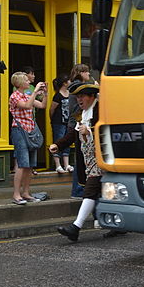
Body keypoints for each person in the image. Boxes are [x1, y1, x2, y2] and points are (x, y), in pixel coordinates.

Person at [52, 81, 102, 241]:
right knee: (101, 193)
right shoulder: (82, 114)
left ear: (92, 96)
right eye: (77, 97)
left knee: (90, 191)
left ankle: (76, 227)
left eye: (82, 96)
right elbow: (72, 136)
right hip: (87, 161)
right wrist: (58, 145)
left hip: (102, 160)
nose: (79, 100)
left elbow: (108, 128)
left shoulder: (101, 111)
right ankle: (114, 223)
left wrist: (90, 130)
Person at [8, 71, 46, 205]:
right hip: (19, 131)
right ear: (19, 83)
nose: (29, 82)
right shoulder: (14, 96)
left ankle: (26, 192)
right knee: (22, 163)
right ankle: (16, 194)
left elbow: (42, 105)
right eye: (26, 80)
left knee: (30, 165)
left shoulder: (26, 95)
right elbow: (27, 106)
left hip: (30, 130)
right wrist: (35, 92)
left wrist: (45, 94)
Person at [68, 64, 92, 198]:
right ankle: (78, 189)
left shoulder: (74, 85)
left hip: (75, 124)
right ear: (81, 72)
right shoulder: (78, 86)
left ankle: (79, 189)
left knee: (81, 156)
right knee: (81, 156)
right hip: (78, 124)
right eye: (86, 71)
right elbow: (78, 107)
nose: (88, 74)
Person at [49, 75, 73, 174]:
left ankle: (66, 164)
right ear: (64, 83)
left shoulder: (70, 94)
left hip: (68, 122)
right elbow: (52, 109)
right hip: (59, 122)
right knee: (58, 140)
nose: (70, 82)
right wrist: (53, 120)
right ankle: (58, 165)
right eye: (69, 80)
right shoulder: (58, 95)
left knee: (66, 141)